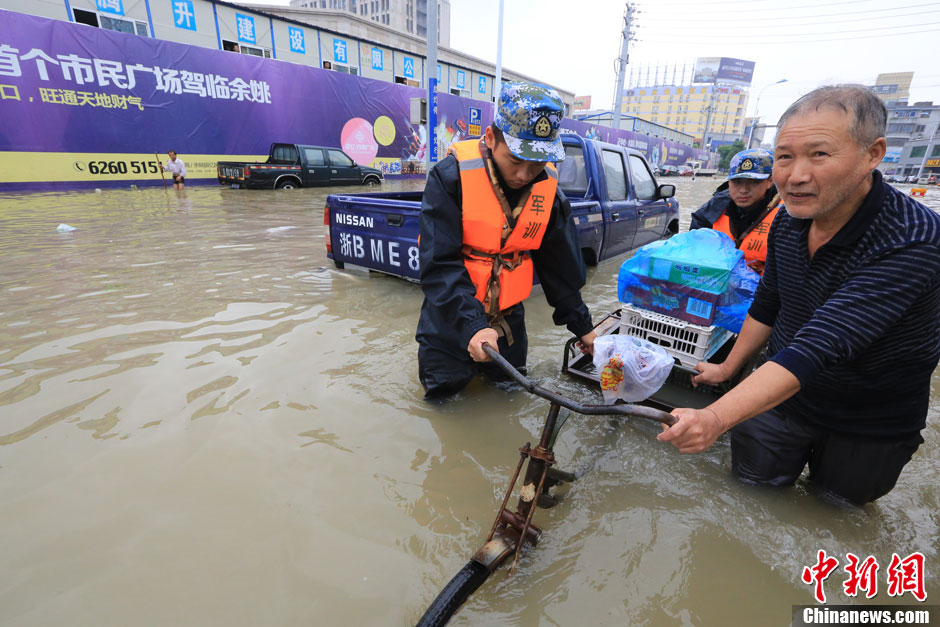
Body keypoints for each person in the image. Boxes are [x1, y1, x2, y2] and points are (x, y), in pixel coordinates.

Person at [658, 84, 940, 505]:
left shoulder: (914, 239)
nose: (795, 175)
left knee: (835, 511)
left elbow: (821, 343)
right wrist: (729, 368)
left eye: (819, 154)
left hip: (869, 419)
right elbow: (769, 302)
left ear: (873, 154)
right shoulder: (789, 222)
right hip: (780, 398)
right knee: (749, 496)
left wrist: (716, 417)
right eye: (785, 157)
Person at [415, 82, 597, 399]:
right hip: (449, 320)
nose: (525, 175)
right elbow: (439, 264)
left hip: (508, 325)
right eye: (516, 160)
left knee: (508, 400)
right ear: (490, 138)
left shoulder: (549, 194)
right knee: (443, 405)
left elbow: (560, 268)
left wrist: (585, 328)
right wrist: (472, 325)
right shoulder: (450, 178)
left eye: (537, 163)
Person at [689, 148, 781, 274]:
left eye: (753, 182)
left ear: (770, 181)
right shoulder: (717, 203)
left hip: (762, 287)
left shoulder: (788, 213)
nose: (743, 190)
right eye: (736, 182)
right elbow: (694, 241)